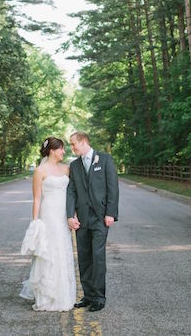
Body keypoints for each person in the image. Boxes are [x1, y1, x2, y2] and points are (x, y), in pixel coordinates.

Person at [19, 137, 76, 311]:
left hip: (63, 213)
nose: (63, 152)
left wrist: (73, 214)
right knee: (50, 250)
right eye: (61, 149)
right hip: (49, 213)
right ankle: (46, 296)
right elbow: (37, 199)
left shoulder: (66, 169)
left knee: (63, 248)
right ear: (52, 150)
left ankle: (63, 295)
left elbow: (73, 194)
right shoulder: (40, 171)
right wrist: (36, 222)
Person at [66, 131, 119, 312]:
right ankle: (88, 296)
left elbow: (113, 188)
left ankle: (99, 297)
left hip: (100, 217)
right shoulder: (74, 166)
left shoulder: (104, 160)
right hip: (81, 219)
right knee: (84, 257)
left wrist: (110, 213)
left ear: (83, 142)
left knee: (97, 257)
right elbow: (71, 191)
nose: (71, 148)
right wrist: (70, 215)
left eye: (73, 144)